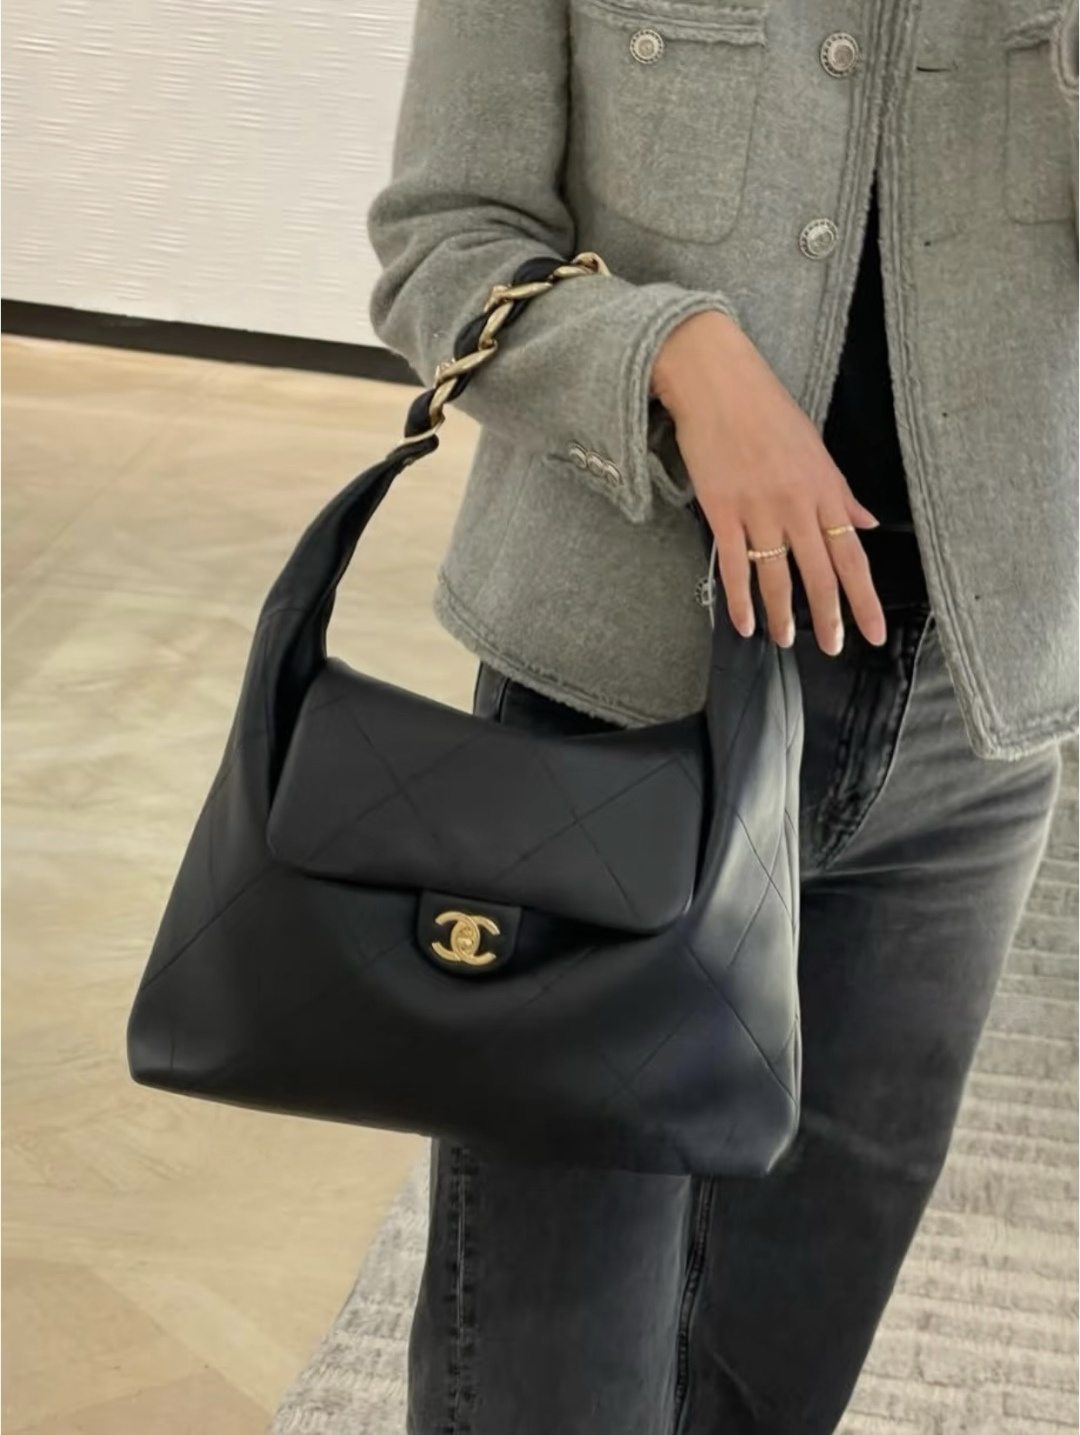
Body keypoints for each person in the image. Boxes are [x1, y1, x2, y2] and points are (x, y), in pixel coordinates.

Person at [365, 2, 1079, 1430]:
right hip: (613, 706)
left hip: (969, 723)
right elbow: (443, 245)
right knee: (547, 1382)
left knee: (777, 1368)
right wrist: (674, 356)